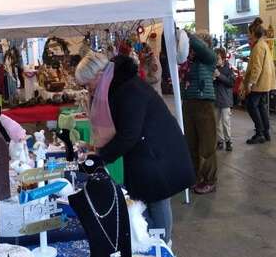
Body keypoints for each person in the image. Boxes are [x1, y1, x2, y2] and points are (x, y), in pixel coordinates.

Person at [75, 51, 195, 244]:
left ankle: (162, 245)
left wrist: (101, 154)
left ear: (98, 75)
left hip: (158, 152)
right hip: (148, 150)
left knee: (157, 198)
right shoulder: (116, 86)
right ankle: (153, 240)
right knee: (148, 198)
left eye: (87, 84)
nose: (87, 90)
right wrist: (96, 149)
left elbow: (129, 134)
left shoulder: (127, 89)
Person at [181, 33, 218, 194]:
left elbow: (202, 49)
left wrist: (188, 36)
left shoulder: (209, 58)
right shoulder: (189, 61)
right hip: (189, 103)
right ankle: (195, 176)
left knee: (207, 146)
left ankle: (210, 180)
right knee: (191, 145)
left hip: (204, 104)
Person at [243, 21, 276, 144]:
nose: (248, 35)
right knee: (262, 106)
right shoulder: (263, 44)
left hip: (259, 82)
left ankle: (259, 133)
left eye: (249, 32)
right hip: (265, 81)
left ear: (253, 33)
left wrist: (251, 82)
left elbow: (257, 67)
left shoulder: (258, 46)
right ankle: (265, 132)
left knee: (251, 106)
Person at [213, 48, 235, 152]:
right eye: (215, 58)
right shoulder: (212, 68)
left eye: (217, 58)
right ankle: (220, 141)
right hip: (215, 99)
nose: (216, 60)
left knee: (226, 122)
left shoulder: (228, 68)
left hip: (225, 100)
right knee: (216, 123)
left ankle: (228, 141)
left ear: (223, 58)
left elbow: (231, 83)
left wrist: (219, 75)